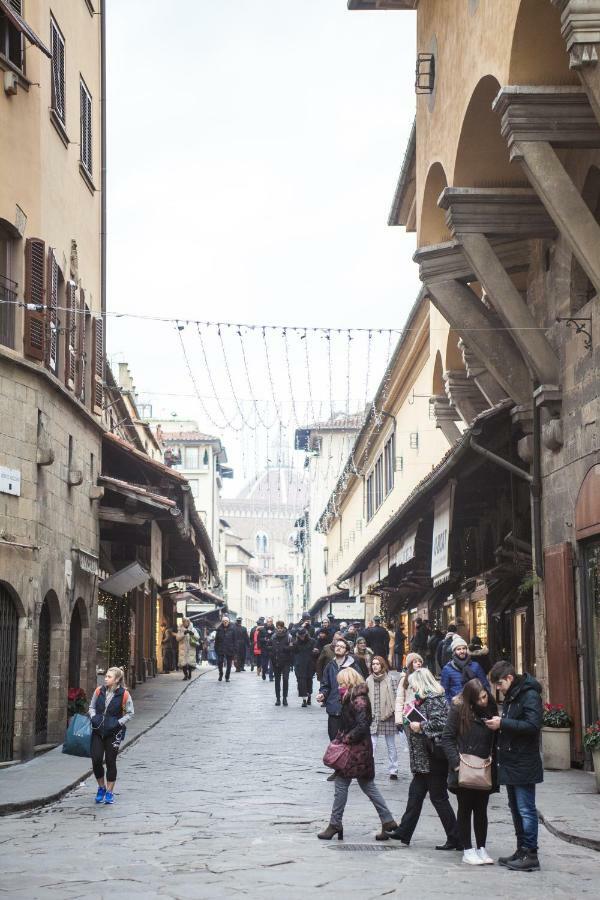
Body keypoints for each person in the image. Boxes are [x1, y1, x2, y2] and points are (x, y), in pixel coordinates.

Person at [317, 668, 398, 842]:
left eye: (342, 682)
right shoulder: (351, 697)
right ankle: (388, 820)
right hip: (360, 750)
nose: (339, 686)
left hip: (356, 751)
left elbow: (363, 725)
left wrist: (346, 738)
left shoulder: (358, 699)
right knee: (368, 786)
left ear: (349, 681)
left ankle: (335, 823)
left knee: (341, 785)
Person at [389, 668, 461, 850]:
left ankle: (455, 837)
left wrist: (419, 725)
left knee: (439, 798)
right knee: (415, 794)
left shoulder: (434, 700)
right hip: (424, 759)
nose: (412, 688)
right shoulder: (424, 700)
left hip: (433, 758)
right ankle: (404, 831)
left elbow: (442, 724)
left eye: (413, 684)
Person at [486, 661, 544, 872]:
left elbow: (533, 725)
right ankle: (521, 849)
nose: (498, 688)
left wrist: (503, 723)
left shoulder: (529, 695)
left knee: (526, 809)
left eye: (500, 683)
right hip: (511, 761)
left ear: (510, 678)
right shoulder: (512, 695)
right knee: (515, 809)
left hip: (524, 761)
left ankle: (531, 853)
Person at [442, 678, 498, 866]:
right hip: (465, 766)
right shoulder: (458, 710)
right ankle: (467, 849)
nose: (484, 700)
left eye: (485, 696)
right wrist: (457, 764)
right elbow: (447, 738)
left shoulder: (490, 709)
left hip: (484, 766)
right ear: (471, 699)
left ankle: (481, 847)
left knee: (481, 809)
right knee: (465, 808)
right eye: (480, 698)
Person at [89, 667, 134, 805]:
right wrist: (94, 717)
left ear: (117, 680)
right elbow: (91, 707)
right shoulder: (99, 691)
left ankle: (109, 792)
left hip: (113, 733)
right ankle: (101, 787)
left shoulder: (124, 694)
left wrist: (117, 723)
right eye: (106, 676)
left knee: (110, 761)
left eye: (109, 677)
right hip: (98, 731)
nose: (106, 678)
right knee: (96, 760)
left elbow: (130, 713)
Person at [316, 638, 363, 740]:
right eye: (337, 646)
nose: (338, 648)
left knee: (348, 740)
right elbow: (325, 685)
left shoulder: (353, 666)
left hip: (349, 709)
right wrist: (322, 694)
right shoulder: (329, 666)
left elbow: (360, 685)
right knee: (333, 739)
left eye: (342, 647)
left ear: (346, 651)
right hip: (333, 708)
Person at [367, 656, 399, 780]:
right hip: (373, 716)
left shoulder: (391, 679)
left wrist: (397, 715)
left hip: (388, 715)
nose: (375, 666)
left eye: (377, 664)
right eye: (373, 664)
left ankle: (393, 770)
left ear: (382, 665)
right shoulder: (368, 680)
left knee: (391, 745)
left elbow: (396, 697)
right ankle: (369, 769)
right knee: (372, 744)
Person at [441, 637, 490, 702]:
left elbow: (485, 685)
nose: (462, 651)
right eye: (458, 649)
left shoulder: (475, 666)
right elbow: (444, 691)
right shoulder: (447, 668)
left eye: (464, 648)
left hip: (474, 703)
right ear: (454, 651)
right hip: (457, 705)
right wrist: (450, 706)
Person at [394, 652, 423, 727]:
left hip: (423, 712)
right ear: (410, 664)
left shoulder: (424, 677)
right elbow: (399, 700)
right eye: (415, 662)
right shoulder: (404, 679)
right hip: (409, 712)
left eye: (420, 662)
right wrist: (399, 720)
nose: (418, 663)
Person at [270, 620, 294, 706]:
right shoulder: (273, 636)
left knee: (285, 679)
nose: (279, 629)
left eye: (281, 627)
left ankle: (284, 698)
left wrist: (285, 648)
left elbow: (292, 647)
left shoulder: (289, 636)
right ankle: (278, 698)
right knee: (277, 680)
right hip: (276, 661)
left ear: (283, 627)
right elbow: (269, 646)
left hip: (286, 662)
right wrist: (271, 653)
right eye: (278, 627)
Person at [293, 627, 317, 706]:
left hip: (309, 664)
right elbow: (293, 653)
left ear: (306, 634)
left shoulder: (312, 641)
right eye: (300, 635)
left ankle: (309, 696)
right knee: (301, 682)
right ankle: (304, 700)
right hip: (299, 664)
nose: (302, 637)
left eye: (303, 635)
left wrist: (315, 652)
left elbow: (316, 653)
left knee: (309, 681)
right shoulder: (296, 643)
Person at [214, 615, 237, 682]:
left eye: (226, 621)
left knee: (229, 664)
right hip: (221, 649)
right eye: (224, 621)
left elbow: (235, 640)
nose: (225, 622)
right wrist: (216, 649)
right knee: (220, 662)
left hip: (230, 649)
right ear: (222, 622)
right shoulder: (219, 629)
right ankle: (220, 674)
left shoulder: (232, 629)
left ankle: (227, 677)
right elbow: (216, 640)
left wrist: (235, 649)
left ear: (228, 622)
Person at [259, 617, 276, 681]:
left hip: (272, 648)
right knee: (264, 664)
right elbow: (259, 639)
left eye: (270, 621)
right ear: (266, 622)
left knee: (272, 663)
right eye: (268, 621)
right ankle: (263, 673)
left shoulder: (275, 630)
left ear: (272, 622)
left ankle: (271, 677)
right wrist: (265, 639)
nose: (269, 623)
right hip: (264, 648)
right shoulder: (262, 629)